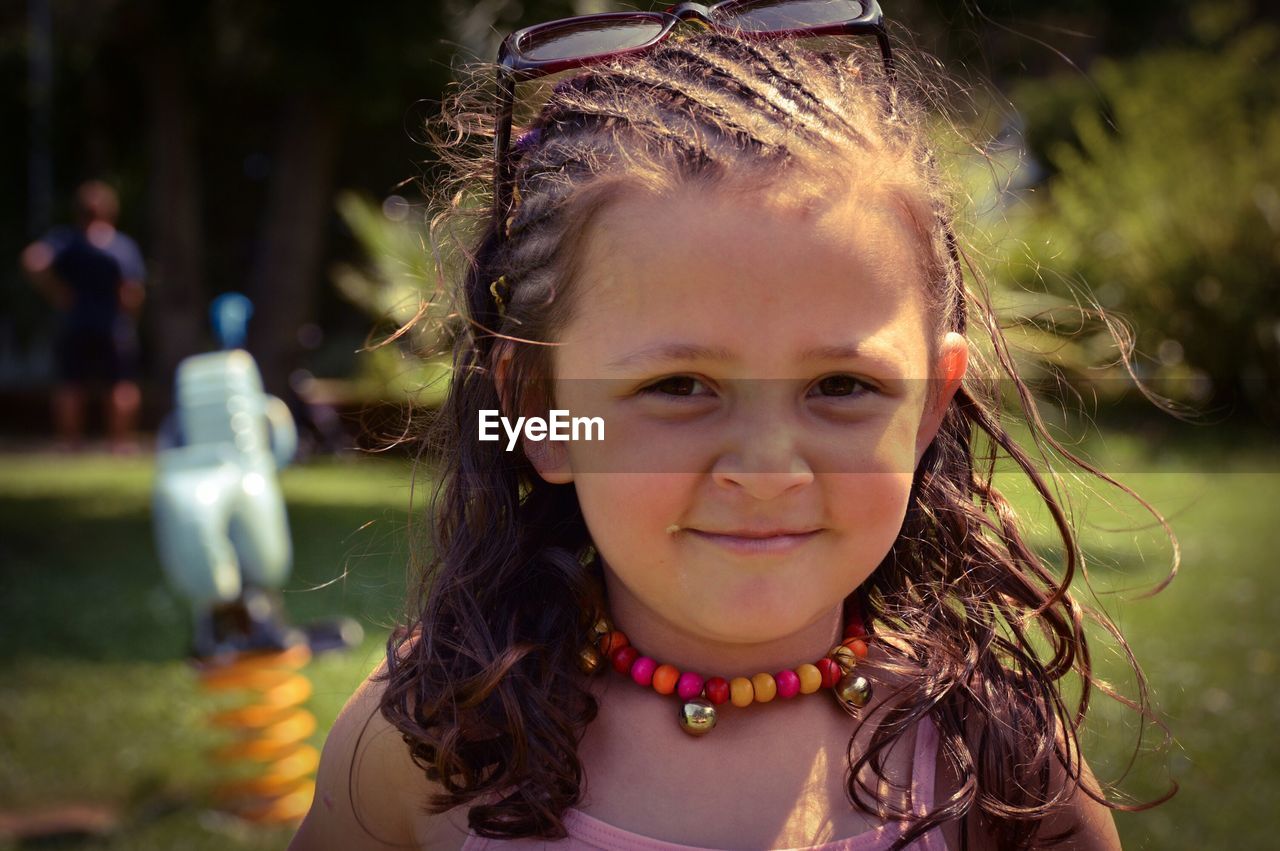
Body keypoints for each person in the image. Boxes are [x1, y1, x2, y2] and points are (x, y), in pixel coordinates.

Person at [292, 7, 1171, 850]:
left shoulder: (998, 766)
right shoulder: (431, 745)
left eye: (840, 383)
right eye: (679, 385)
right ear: (539, 409)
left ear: (930, 404)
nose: (764, 466)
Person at [20, 180, 146, 452]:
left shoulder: (67, 240)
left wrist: (57, 292)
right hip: (113, 325)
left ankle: (69, 445)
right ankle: (120, 445)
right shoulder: (121, 245)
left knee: (70, 384)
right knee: (120, 385)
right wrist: (130, 317)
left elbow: (33, 260)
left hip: (75, 323)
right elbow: (131, 290)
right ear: (111, 211)